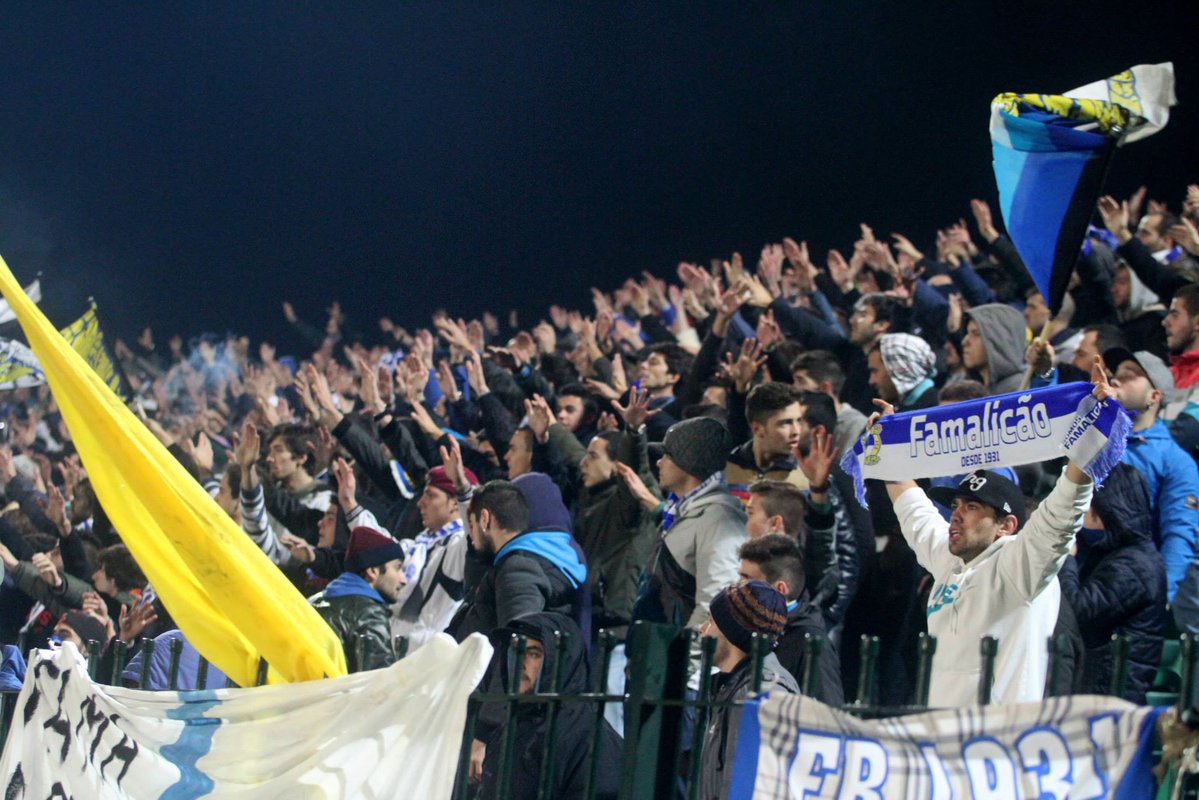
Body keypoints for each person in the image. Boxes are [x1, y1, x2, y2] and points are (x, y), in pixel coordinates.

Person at [881, 358, 1112, 705]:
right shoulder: (949, 558)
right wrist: (888, 443)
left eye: (972, 508)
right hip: (940, 733)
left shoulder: (1021, 564)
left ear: (1007, 526)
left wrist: (1093, 433)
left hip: (999, 741)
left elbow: (1064, 511)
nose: (956, 515)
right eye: (957, 505)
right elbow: (912, 506)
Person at [476, 612, 622, 800]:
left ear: (561, 660)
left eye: (535, 654)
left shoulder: (590, 739)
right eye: (516, 650)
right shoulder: (511, 725)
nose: (521, 662)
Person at [1057, 464, 1166, 704]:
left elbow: (1078, 611)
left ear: (1104, 511)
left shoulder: (1134, 566)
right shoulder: (1119, 554)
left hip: (1111, 692)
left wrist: (1067, 559)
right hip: (1102, 685)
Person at [631, 417, 746, 632]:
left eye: (667, 455)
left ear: (687, 462)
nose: (659, 462)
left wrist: (687, 660)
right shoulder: (683, 511)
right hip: (656, 652)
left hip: (675, 658)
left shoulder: (718, 519)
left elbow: (715, 604)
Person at [1104, 347, 1199, 599]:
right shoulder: (1091, 441)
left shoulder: (1176, 462)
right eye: (1115, 375)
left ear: (1154, 395)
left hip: (1130, 588)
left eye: (1130, 375)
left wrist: (1158, 598)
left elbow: (1179, 536)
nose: (1115, 380)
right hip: (1079, 581)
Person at [697, 580, 797, 800]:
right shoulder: (731, 686)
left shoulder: (761, 693)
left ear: (732, 633)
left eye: (711, 621)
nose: (702, 630)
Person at [738, 534, 843, 705]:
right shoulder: (749, 627)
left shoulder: (811, 643)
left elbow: (828, 716)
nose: (738, 588)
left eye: (747, 580)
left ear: (780, 589)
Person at [392, 459, 479, 652]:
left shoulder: (457, 546)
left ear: (456, 504)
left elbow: (474, 535)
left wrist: (463, 489)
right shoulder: (420, 544)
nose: (420, 503)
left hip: (427, 661)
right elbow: (381, 548)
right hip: (398, 653)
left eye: (431, 496)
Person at [308, 525, 405, 672]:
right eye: (397, 568)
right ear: (373, 571)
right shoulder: (368, 613)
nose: (403, 579)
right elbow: (380, 683)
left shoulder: (314, 600)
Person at [960, 303, 1029, 395]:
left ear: (1000, 339)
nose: (965, 342)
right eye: (967, 333)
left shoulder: (1019, 390)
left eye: (976, 334)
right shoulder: (977, 390)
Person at [867, 333, 938, 411]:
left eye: (875, 371)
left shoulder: (936, 409)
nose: (871, 381)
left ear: (898, 368)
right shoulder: (898, 407)